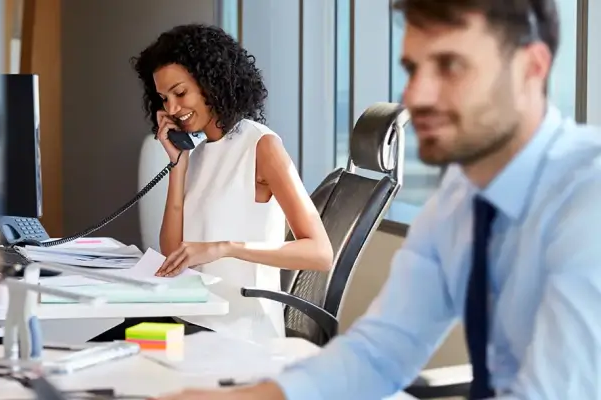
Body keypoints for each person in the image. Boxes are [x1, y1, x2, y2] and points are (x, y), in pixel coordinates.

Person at [155, 0, 601, 399]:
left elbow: (554, 386)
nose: (416, 96)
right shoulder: (457, 204)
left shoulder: (587, 196)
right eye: (412, 68)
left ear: (532, 68)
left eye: (449, 66)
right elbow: (381, 351)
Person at [91, 24, 334, 343]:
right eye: (164, 98)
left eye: (180, 93)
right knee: (91, 355)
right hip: (188, 320)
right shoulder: (199, 150)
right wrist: (178, 163)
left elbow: (320, 253)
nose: (173, 109)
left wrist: (225, 248)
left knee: (111, 367)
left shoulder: (262, 146)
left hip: (238, 331)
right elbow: (173, 251)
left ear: (211, 84)